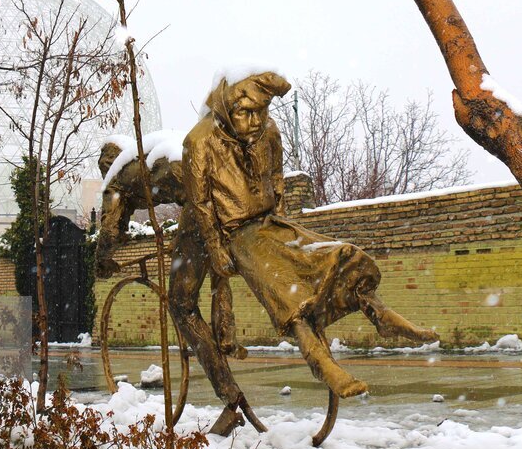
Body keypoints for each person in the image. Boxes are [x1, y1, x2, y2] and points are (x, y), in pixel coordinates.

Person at [181, 70, 438, 399]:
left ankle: (380, 314)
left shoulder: (268, 131)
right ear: (227, 110)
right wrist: (216, 248)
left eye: (263, 112)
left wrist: (284, 228)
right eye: (247, 113)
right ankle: (320, 363)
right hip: (237, 234)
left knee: (337, 254)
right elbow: (200, 202)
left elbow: (277, 180)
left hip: (271, 224)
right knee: (288, 294)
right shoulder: (200, 141)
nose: (257, 121)